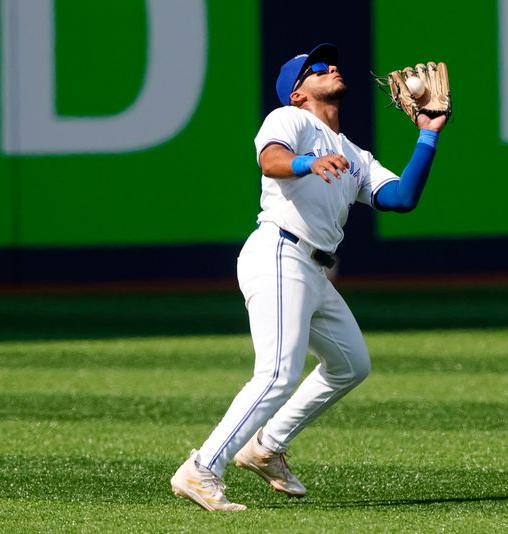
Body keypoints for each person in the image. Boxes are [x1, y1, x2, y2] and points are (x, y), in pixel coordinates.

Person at [171, 43, 447, 511]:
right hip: (279, 252)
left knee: (351, 364)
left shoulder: (353, 153)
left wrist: (428, 134)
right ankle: (200, 469)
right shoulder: (290, 119)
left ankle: (265, 446)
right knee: (277, 372)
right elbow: (271, 161)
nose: (332, 66)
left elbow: (400, 198)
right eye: (318, 67)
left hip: (314, 270)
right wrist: (306, 162)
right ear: (298, 91)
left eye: (332, 61)